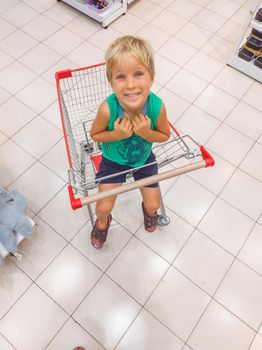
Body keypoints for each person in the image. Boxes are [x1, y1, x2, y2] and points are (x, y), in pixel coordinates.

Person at [89, 35, 170, 249]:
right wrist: (115, 135)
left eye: (139, 74)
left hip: (144, 159)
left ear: (151, 78)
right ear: (111, 82)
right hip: (113, 162)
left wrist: (147, 133)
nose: (131, 84)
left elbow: (164, 135)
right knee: (103, 207)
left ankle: (149, 213)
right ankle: (103, 223)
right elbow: (95, 135)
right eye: (121, 77)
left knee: (154, 204)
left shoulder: (157, 107)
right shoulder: (107, 109)